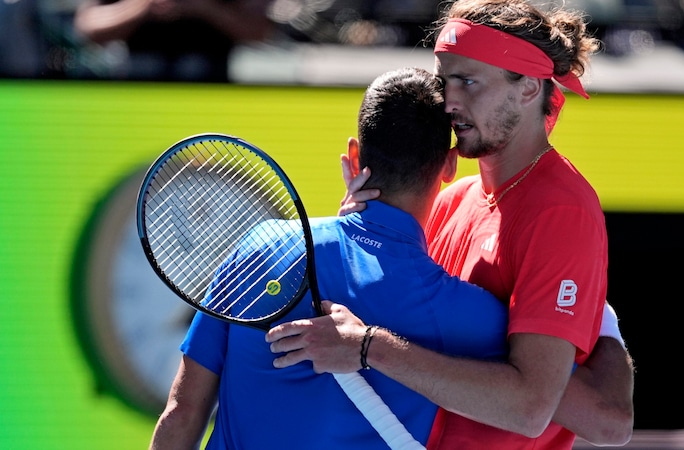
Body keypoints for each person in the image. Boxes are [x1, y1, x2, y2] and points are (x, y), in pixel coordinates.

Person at [267, 0, 634, 449]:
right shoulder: (452, 199)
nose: (448, 102)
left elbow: (529, 408)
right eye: (444, 81)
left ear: (528, 88)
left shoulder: (561, 209)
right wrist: (360, 234)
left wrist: (367, 347)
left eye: (468, 81)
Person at [149, 67, 511, 449]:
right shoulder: (473, 315)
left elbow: (182, 412)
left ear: (354, 157)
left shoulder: (262, 245)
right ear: (450, 165)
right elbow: (537, 400)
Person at [72, 0, 274, 82]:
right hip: (136, 104)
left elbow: (260, 31)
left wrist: (202, 7)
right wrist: (142, 6)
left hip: (210, 103)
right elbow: (88, 28)